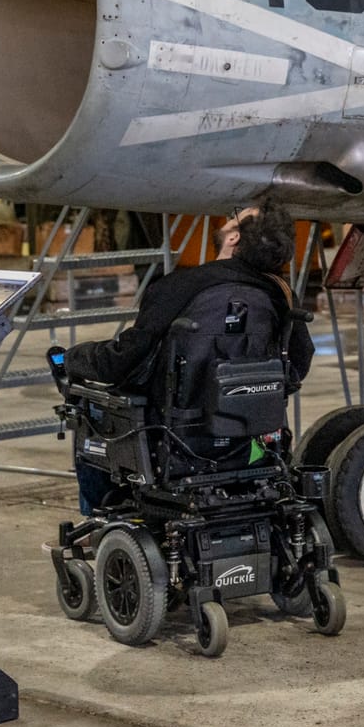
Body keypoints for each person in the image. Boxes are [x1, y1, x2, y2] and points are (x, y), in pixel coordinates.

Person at [65, 201, 314, 513]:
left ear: (234, 238)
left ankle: (101, 519)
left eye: (234, 216)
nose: (228, 216)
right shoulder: (280, 295)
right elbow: (296, 368)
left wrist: (73, 359)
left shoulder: (178, 287)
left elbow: (123, 361)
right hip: (253, 445)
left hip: (175, 446)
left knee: (87, 410)